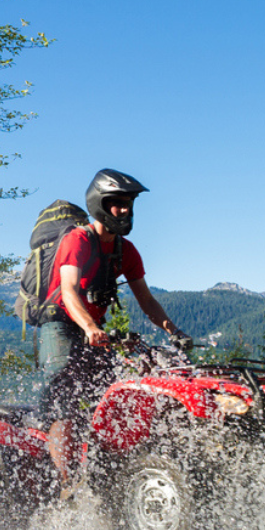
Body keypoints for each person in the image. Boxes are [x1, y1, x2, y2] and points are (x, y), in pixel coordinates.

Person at [39, 168, 192, 497]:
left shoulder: (127, 251)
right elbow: (68, 291)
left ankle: (108, 472)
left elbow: (147, 300)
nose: (124, 209)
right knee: (64, 395)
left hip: (95, 331)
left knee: (116, 394)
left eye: (128, 203)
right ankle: (65, 484)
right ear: (99, 204)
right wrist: (91, 327)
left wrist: (174, 331)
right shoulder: (77, 240)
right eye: (117, 203)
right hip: (61, 323)